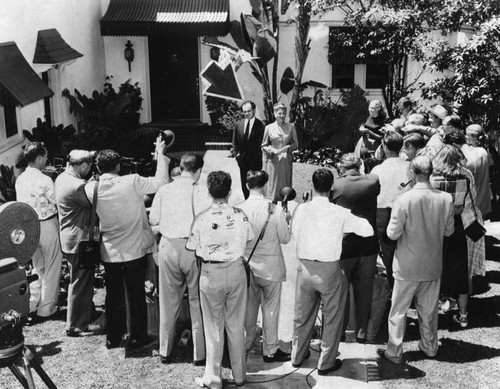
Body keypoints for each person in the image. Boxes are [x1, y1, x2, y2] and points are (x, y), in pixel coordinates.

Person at [84, 138, 169, 351]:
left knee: (113, 296)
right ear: (119, 166)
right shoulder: (132, 181)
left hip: (109, 252)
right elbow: (161, 182)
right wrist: (160, 154)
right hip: (134, 250)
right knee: (136, 296)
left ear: (97, 167)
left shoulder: (91, 188)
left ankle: (113, 336)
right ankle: (138, 337)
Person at [290, 168, 374, 375]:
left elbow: (293, 231)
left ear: (312, 185)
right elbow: (367, 230)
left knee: (302, 316)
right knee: (333, 316)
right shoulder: (340, 212)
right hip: (329, 269)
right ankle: (326, 362)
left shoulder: (301, 209)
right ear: (331, 187)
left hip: (306, 268)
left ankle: (297, 356)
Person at [186, 171, 253, 389]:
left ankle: (213, 379)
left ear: (208, 192)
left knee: (213, 327)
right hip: (235, 271)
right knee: (235, 324)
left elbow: (192, 247)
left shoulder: (202, 217)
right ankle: (240, 375)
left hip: (211, 274)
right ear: (230, 191)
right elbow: (248, 238)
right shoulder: (240, 215)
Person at [384, 156, 454, 364]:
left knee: (398, 310)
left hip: (407, 265)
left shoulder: (403, 199)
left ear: (412, 172)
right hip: (432, 262)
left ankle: (395, 351)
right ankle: (430, 346)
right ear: (430, 172)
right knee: (429, 310)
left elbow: (392, 234)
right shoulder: (446, 198)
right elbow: (449, 231)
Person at [149, 153, 210, 365]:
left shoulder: (164, 190)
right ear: (199, 171)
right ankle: (199, 354)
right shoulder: (202, 190)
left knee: (168, 301)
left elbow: (153, 220)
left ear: (181, 167)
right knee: (197, 301)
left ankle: (165, 350)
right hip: (192, 248)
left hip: (168, 245)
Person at [238, 170, 291, 362]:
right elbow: (285, 239)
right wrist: (287, 219)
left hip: (247, 267)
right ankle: (270, 349)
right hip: (271, 267)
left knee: (248, 310)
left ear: (247, 185)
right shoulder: (274, 210)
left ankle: (245, 345)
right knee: (270, 310)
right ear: (266, 185)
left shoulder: (239, 209)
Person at [430, 145, 486, 328]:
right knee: (461, 271)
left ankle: (433, 315)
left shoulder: (433, 176)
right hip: (460, 224)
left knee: (437, 269)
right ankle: (463, 316)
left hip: (438, 226)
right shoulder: (466, 174)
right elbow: (473, 198)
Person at [331, 154, 380, 343]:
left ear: (341, 167)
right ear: (359, 165)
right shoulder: (373, 181)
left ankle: (340, 332)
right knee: (364, 291)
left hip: (343, 246)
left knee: (340, 292)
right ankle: (361, 332)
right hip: (367, 245)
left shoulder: (336, 185)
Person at [15, 142, 63, 320]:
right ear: (40, 158)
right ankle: (47, 309)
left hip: (29, 227)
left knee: (37, 266)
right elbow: (55, 201)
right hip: (46, 224)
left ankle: (32, 305)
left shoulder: (20, 179)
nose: (46, 160)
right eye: (45, 156)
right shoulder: (44, 179)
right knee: (52, 265)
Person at [55, 150, 96, 337]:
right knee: (80, 282)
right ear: (84, 165)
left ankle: (85, 313)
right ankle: (75, 325)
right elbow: (95, 202)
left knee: (80, 279)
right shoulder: (78, 186)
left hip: (72, 237)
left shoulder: (62, 177)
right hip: (81, 239)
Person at [370, 132, 412, 288]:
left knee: (388, 253)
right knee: (405, 250)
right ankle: (404, 285)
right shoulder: (409, 168)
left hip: (383, 213)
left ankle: (393, 285)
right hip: (405, 213)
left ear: (385, 147)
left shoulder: (378, 170)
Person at [261, 102, 298, 202]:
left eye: (283, 113)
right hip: (274, 160)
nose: (282, 116)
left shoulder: (291, 126)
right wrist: (270, 150)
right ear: (274, 114)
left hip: (286, 161)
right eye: (279, 113)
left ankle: (284, 207)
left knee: (285, 187)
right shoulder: (268, 128)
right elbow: (264, 145)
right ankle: (272, 207)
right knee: (273, 187)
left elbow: (296, 143)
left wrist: (288, 148)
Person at [232, 100, 265, 199]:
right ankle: (247, 202)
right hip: (243, 161)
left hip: (255, 161)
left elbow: (264, 143)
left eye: (248, 111)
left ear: (254, 110)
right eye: (244, 111)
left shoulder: (261, 125)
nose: (246, 113)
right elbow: (235, 142)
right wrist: (237, 155)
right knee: (244, 185)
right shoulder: (239, 125)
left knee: (255, 185)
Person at [462, 124, 493, 218]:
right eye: (466, 134)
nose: (466, 137)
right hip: (483, 191)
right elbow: (491, 163)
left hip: (474, 192)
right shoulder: (484, 151)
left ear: (477, 138)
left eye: (469, 135)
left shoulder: (473, 152)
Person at [354, 100, 386, 170]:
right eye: (370, 107)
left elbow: (381, 137)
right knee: (359, 163)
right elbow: (364, 125)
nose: (370, 110)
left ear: (378, 108)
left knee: (372, 164)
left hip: (374, 145)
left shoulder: (382, 119)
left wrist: (369, 132)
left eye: (373, 108)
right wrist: (361, 128)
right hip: (363, 141)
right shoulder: (368, 116)